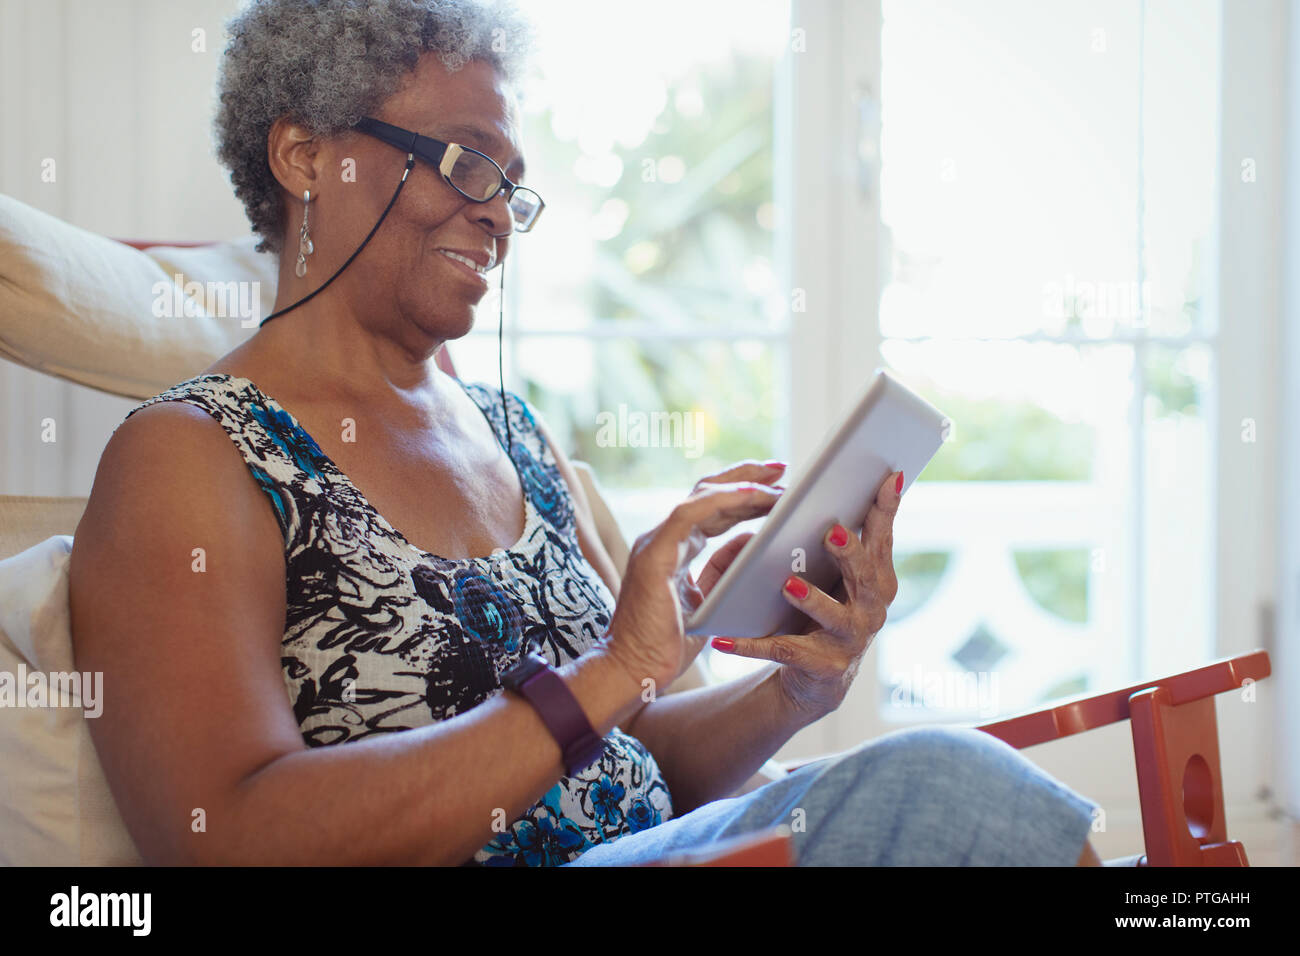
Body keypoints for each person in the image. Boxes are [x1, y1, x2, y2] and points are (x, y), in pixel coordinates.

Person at [68, 0, 1101, 867]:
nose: (499, 214)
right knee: (940, 789)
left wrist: (794, 687)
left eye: (511, 185)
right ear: (303, 155)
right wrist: (611, 669)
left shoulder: (514, 438)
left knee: (957, 784)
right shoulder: (192, 456)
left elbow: (637, 753)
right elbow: (224, 833)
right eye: (467, 163)